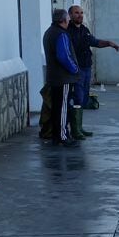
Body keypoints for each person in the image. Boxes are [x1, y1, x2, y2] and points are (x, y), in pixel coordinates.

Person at [66, 5, 119, 139]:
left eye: (81, 13)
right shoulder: (67, 31)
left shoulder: (84, 29)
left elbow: (94, 42)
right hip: (76, 70)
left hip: (86, 68)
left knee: (83, 98)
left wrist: (108, 43)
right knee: (77, 98)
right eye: (76, 13)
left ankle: (79, 127)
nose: (80, 15)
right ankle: (74, 130)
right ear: (70, 15)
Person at [42, 8, 80, 147]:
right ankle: (62, 136)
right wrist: (75, 69)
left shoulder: (48, 32)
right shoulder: (61, 34)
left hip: (54, 76)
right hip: (63, 77)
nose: (69, 20)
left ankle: (56, 135)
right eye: (68, 18)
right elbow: (63, 56)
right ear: (63, 20)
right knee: (63, 107)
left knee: (57, 106)